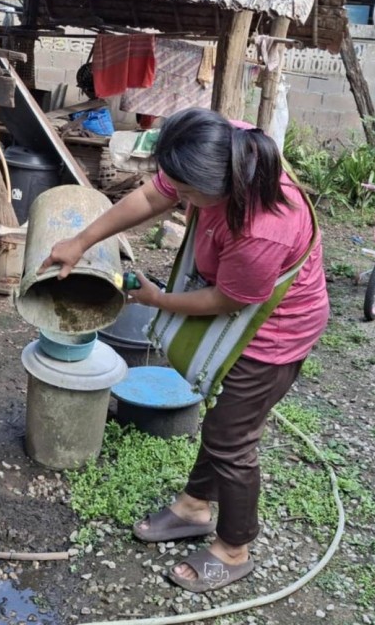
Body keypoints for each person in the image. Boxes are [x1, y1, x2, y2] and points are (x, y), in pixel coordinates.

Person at [39, 107, 329, 592]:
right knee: (222, 424)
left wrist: (156, 299)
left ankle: (235, 548)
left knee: (232, 443)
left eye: (190, 195)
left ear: (223, 190)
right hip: (240, 306)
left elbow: (228, 300)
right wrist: (81, 239)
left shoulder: (262, 227)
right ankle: (195, 507)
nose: (180, 198)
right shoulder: (221, 144)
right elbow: (155, 194)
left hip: (269, 337)